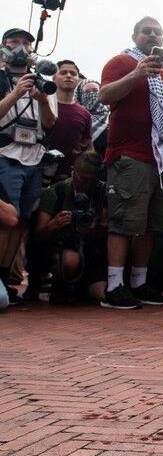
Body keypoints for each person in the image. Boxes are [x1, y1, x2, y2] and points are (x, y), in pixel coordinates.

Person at [97, 17, 163, 309]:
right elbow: (104, 96)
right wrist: (135, 75)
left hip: (162, 159)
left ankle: (138, 282)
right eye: (146, 31)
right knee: (123, 221)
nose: (152, 35)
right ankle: (114, 285)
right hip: (131, 155)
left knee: (149, 224)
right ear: (134, 35)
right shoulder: (121, 62)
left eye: (158, 31)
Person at [0, 27, 58, 304]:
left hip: (34, 155)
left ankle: (7, 278)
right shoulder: (1, 78)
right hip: (6, 154)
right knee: (6, 219)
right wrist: (15, 93)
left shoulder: (43, 81)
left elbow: (49, 123)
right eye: (14, 42)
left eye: (26, 43)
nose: (20, 47)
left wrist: (42, 98)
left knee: (22, 221)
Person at [34, 151, 108, 304]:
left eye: (90, 180)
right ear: (73, 170)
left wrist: (94, 229)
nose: (85, 184)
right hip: (62, 249)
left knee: (101, 295)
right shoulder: (56, 191)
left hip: (93, 252)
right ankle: (58, 284)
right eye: (82, 178)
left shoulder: (102, 192)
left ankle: (82, 288)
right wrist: (53, 225)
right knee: (70, 260)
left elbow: (109, 229)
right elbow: (37, 235)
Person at [45, 60, 93, 181]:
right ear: (54, 78)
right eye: (63, 72)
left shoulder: (85, 113)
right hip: (39, 171)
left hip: (69, 177)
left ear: (78, 79)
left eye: (73, 73)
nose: (68, 76)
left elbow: (88, 146)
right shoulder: (43, 104)